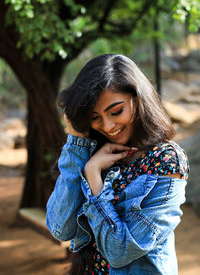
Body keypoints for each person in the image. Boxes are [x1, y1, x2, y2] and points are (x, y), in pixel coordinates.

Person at [46, 54, 189, 275]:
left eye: (116, 111)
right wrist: (77, 142)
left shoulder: (166, 160)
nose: (108, 125)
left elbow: (120, 251)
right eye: (94, 117)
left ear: (138, 98)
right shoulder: (93, 150)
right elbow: (60, 228)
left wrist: (93, 176)